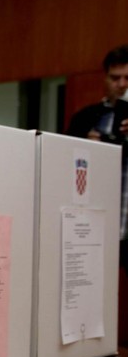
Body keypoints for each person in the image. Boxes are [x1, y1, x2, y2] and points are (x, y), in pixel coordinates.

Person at [66, 45, 128, 263]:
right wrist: (87, 149)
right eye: (115, 78)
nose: (122, 84)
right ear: (105, 78)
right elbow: (63, 165)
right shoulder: (85, 118)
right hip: (92, 222)